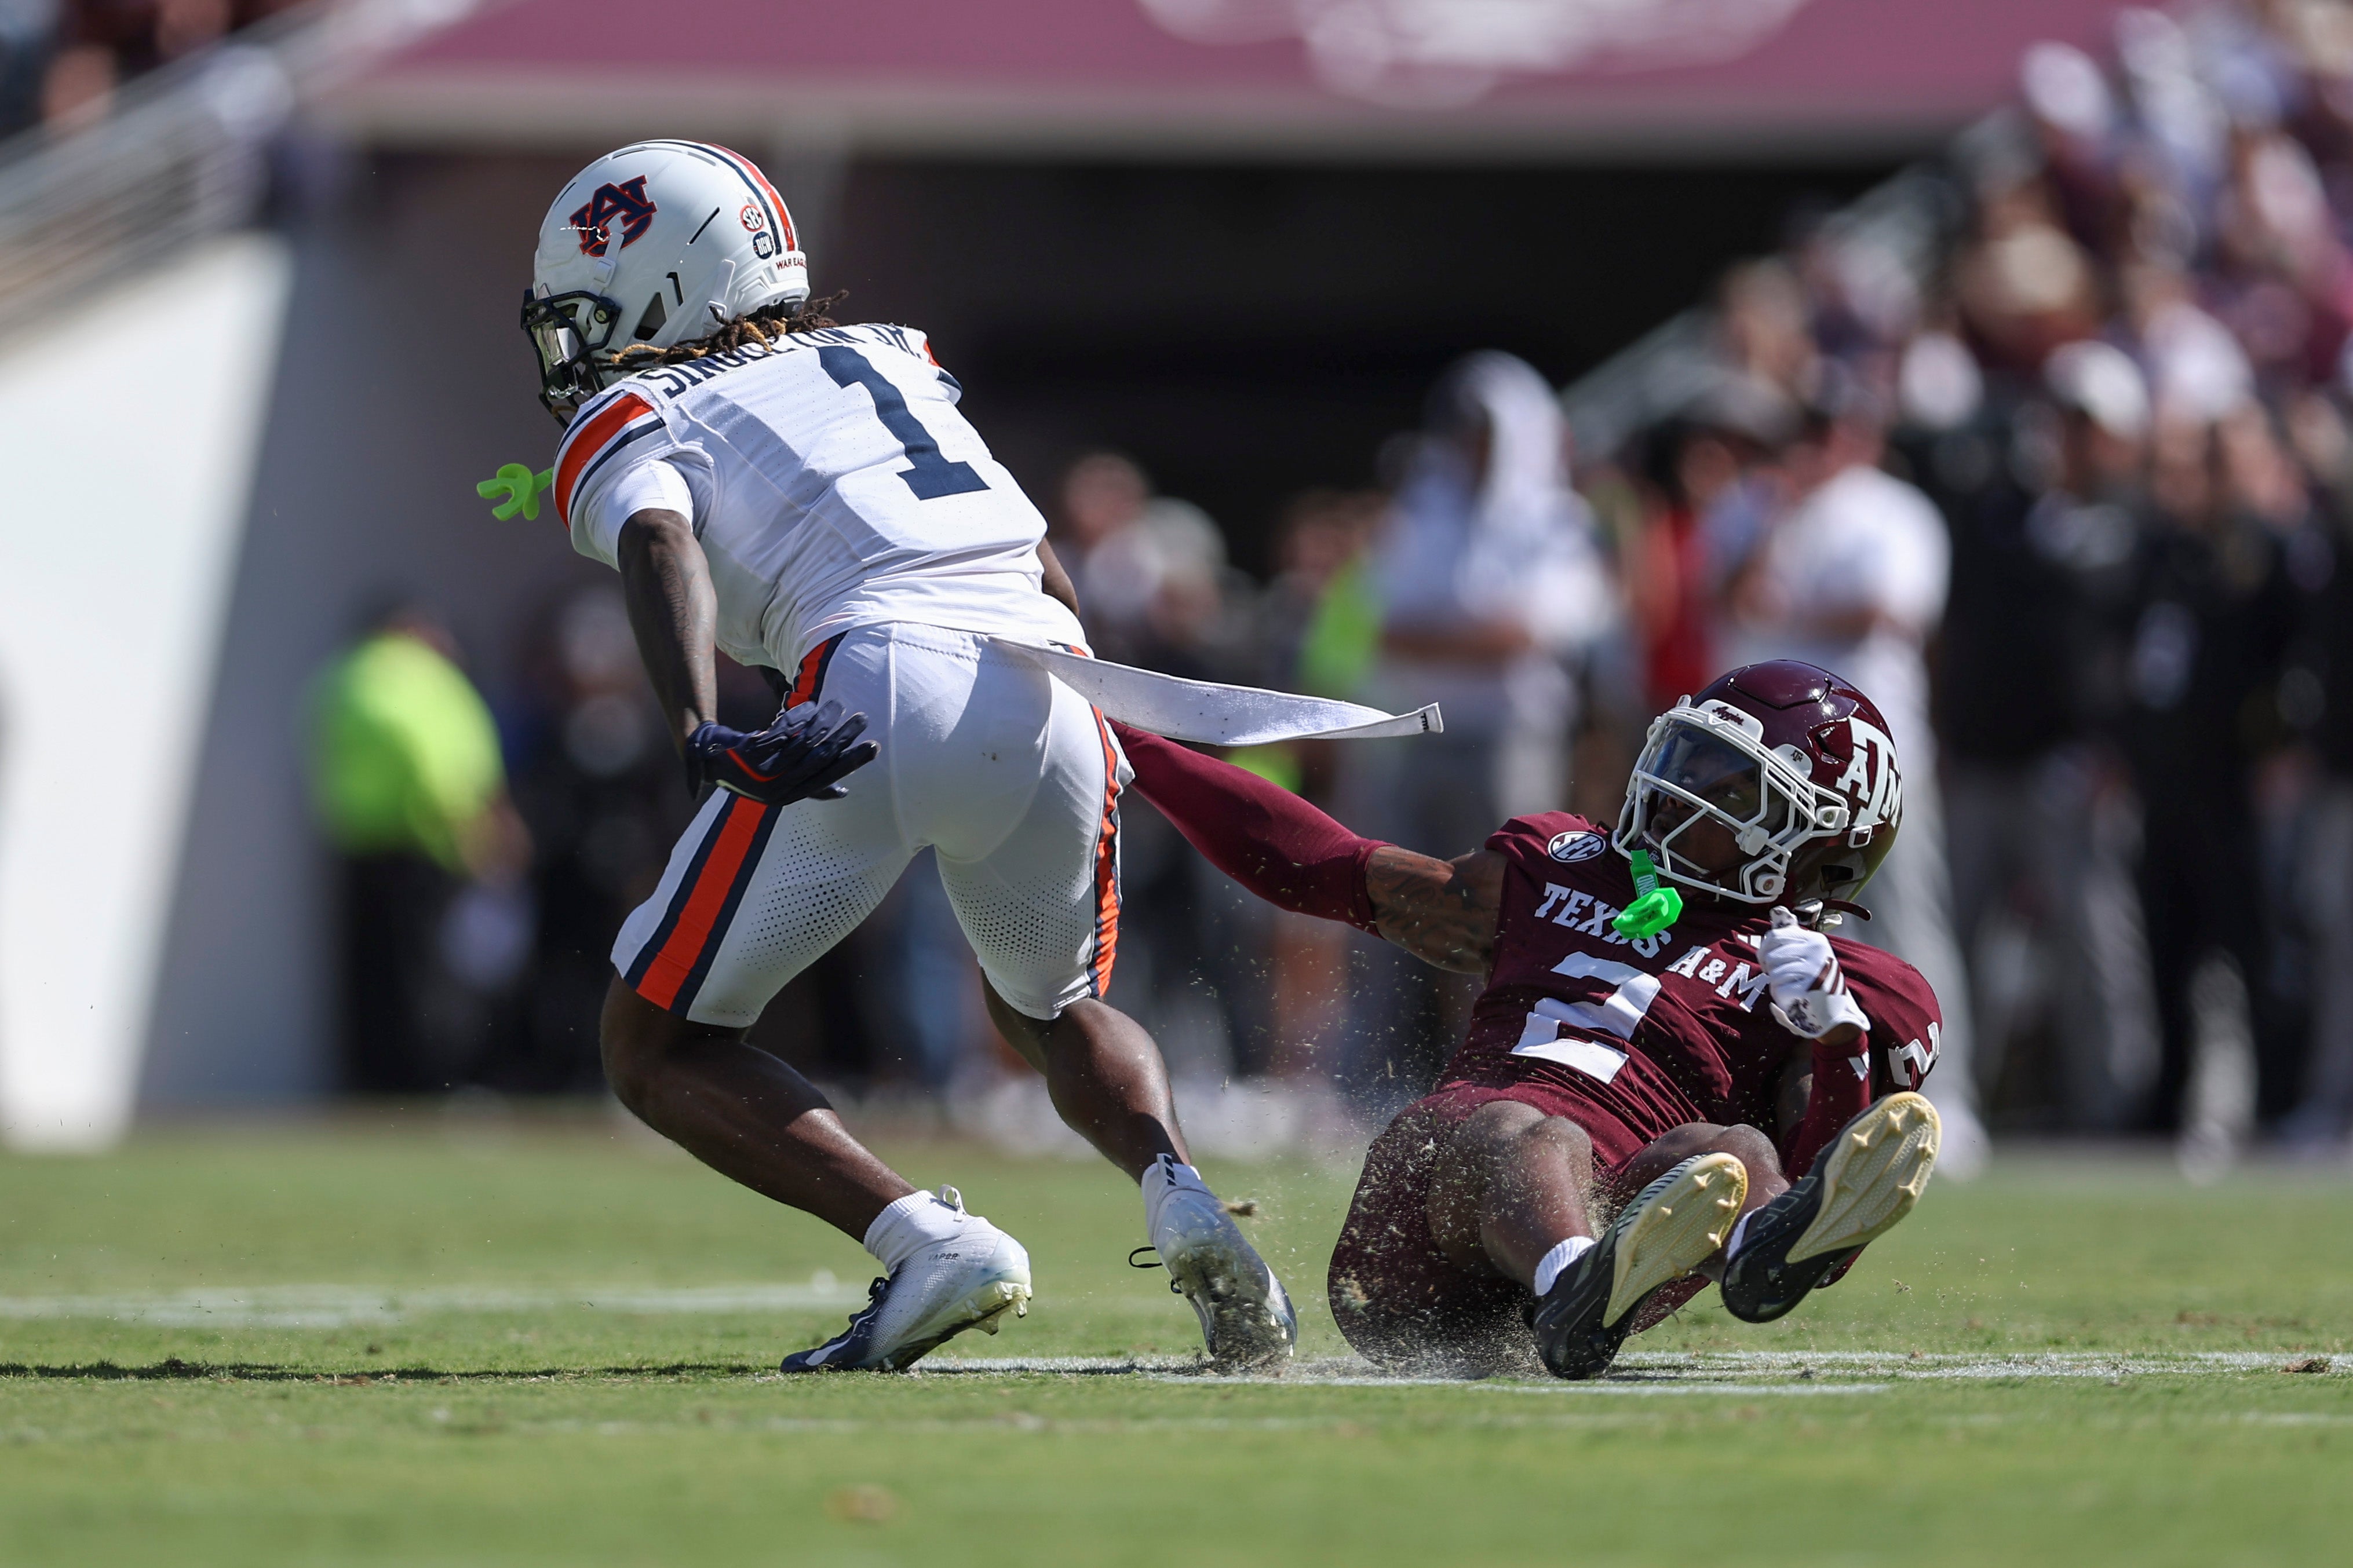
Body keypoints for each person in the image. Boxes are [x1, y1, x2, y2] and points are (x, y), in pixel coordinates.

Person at [515, 141, 1292, 1370]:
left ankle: (929, 1241)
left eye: (593, 311)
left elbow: (657, 540)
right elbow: (1036, 557)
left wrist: (693, 726)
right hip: (1047, 673)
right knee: (1056, 1005)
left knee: (654, 1042)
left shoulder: (642, 408)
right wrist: (1090, 715)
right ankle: (1181, 1196)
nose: (577, 345)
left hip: (878, 677)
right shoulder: (889, 357)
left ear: (672, 286)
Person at [1114, 660, 1943, 1377]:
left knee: (1736, 1154)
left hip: (1621, 1217)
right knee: (1530, 1128)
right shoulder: (1559, 862)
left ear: (1813, 835)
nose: (1673, 789)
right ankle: (1572, 1281)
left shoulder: (1847, 986)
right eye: (1685, 757)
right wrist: (1138, 751)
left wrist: (1835, 1042)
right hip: (1429, 1210)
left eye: (1726, 786)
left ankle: (1726, 1252)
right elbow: (1328, 866)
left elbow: (1816, 1178)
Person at [309, 604, 531, 1094]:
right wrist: (471, 827)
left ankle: (371, 1084)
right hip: (426, 846)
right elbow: (436, 757)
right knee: (430, 976)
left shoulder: (345, 675)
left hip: (360, 845)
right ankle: (432, 1085)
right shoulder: (419, 674)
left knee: (370, 976)